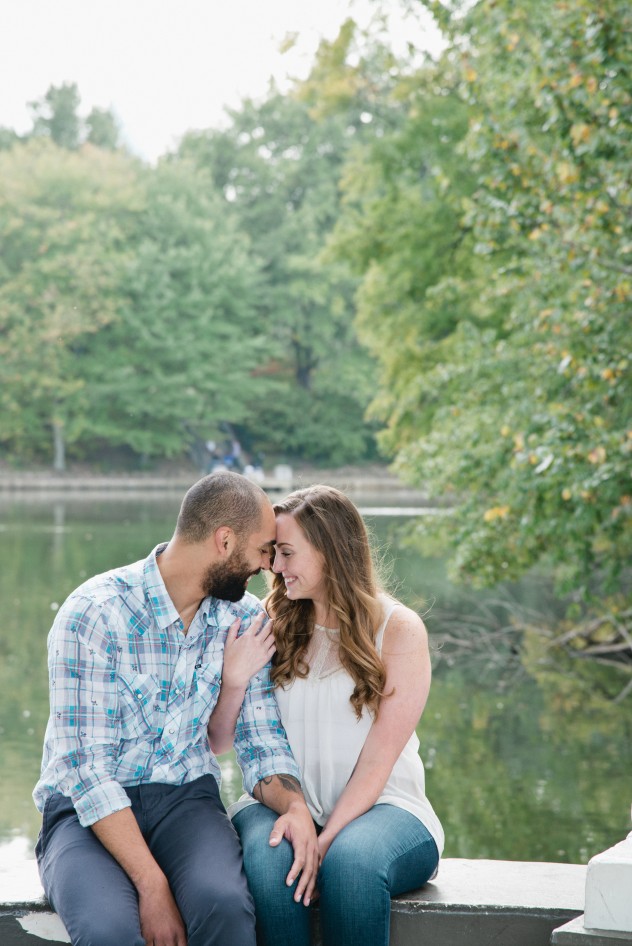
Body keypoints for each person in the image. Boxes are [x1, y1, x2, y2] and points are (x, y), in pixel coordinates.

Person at [33, 471, 319, 946]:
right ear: (224, 541)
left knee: (224, 907)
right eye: (265, 549)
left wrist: (295, 807)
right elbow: (86, 771)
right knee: (108, 931)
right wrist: (153, 884)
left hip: (186, 800)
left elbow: (261, 738)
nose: (269, 566)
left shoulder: (244, 619)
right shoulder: (93, 613)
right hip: (84, 810)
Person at [226, 484, 444, 946]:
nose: (274, 566)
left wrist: (324, 843)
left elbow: (379, 759)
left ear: (330, 551)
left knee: (352, 865)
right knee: (271, 866)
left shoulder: (397, 629)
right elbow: (244, 737)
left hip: (386, 807)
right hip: (280, 803)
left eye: (286, 553)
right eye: (272, 553)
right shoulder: (268, 624)